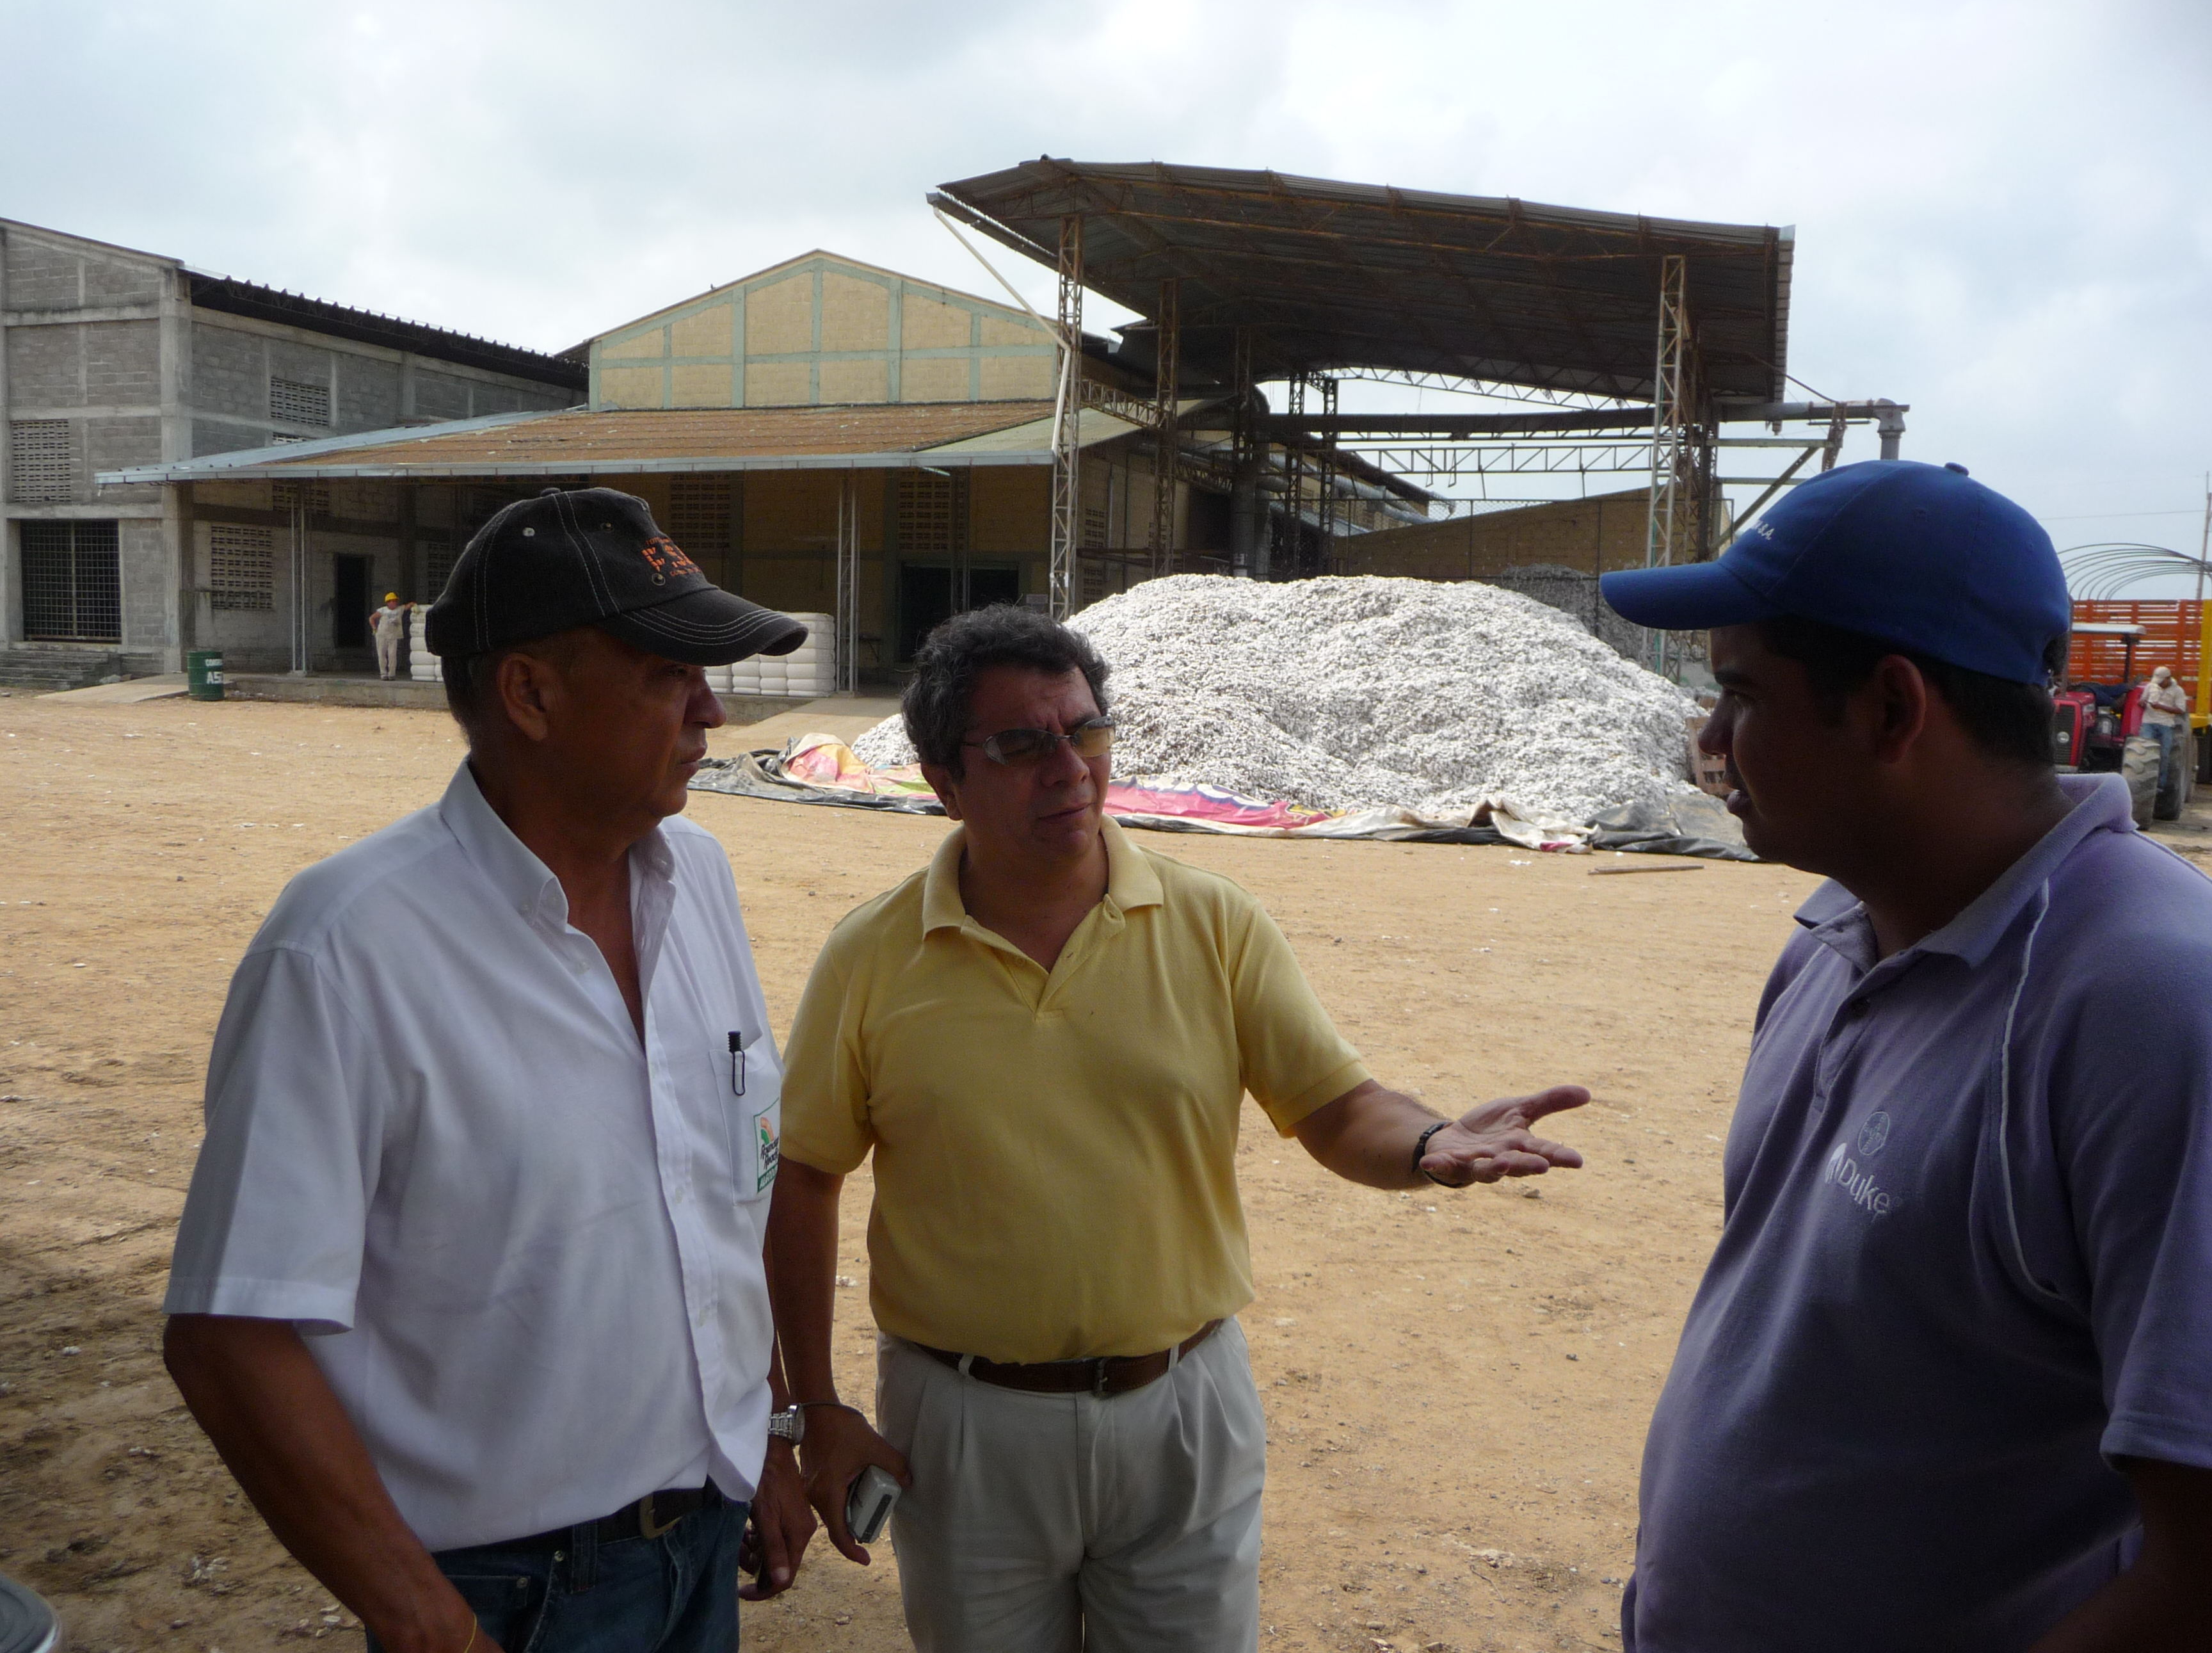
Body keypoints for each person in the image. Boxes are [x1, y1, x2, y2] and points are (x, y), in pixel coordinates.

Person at [764, 603, 1589, 1653]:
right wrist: (815, 1409)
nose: (1068, 766)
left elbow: (1336, 1107)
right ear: (943, 779)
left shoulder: (1215, 924)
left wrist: (1428, 1144)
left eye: (1084, 729)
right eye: (1022, 743)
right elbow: (804, 1180)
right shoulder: (872, 958)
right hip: (963, 1426)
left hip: (1182, 1413)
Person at [163, 487, 819, 1653]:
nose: (713, 710)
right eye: (673, 673)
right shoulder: (346, 946)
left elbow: (718, 1192)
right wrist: (424, 1617)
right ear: (530, 694)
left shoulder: (698, 880)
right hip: (512, 1597)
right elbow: (231, 1330)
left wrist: (764, 1429)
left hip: (703, 1547)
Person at [1599, 460, 2212, 1652]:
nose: (1710, 739)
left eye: (1740, 692)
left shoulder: (2147, 1010)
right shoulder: (1836, 934)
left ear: (1890, 709)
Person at [2140, 663, 2190, 796]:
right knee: (2145, 751)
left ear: (2168, 679)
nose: (2159, 684)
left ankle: (2161, 785)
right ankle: (2143, 783)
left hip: (2166, 725)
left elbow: (2180, 710)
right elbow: (2143, 700)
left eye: (2162, 681)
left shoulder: (2178, 691)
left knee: (2165, 754)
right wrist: (2143, 703)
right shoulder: (2151, 687)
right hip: (2148, 722)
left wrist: (2161, 707)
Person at [370, 591, 407, 681]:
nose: (394, 603)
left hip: (393, 636)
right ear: (388, 602)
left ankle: (392, 674)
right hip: (382, 635)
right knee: (382, 654)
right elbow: (372, 618)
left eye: (395, 601)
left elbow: (408, 606)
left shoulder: (399, 609)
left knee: (392, 655)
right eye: (392, 601)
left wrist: (414, 605)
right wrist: (374, 628)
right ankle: (383, 673)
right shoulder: (382, 611)